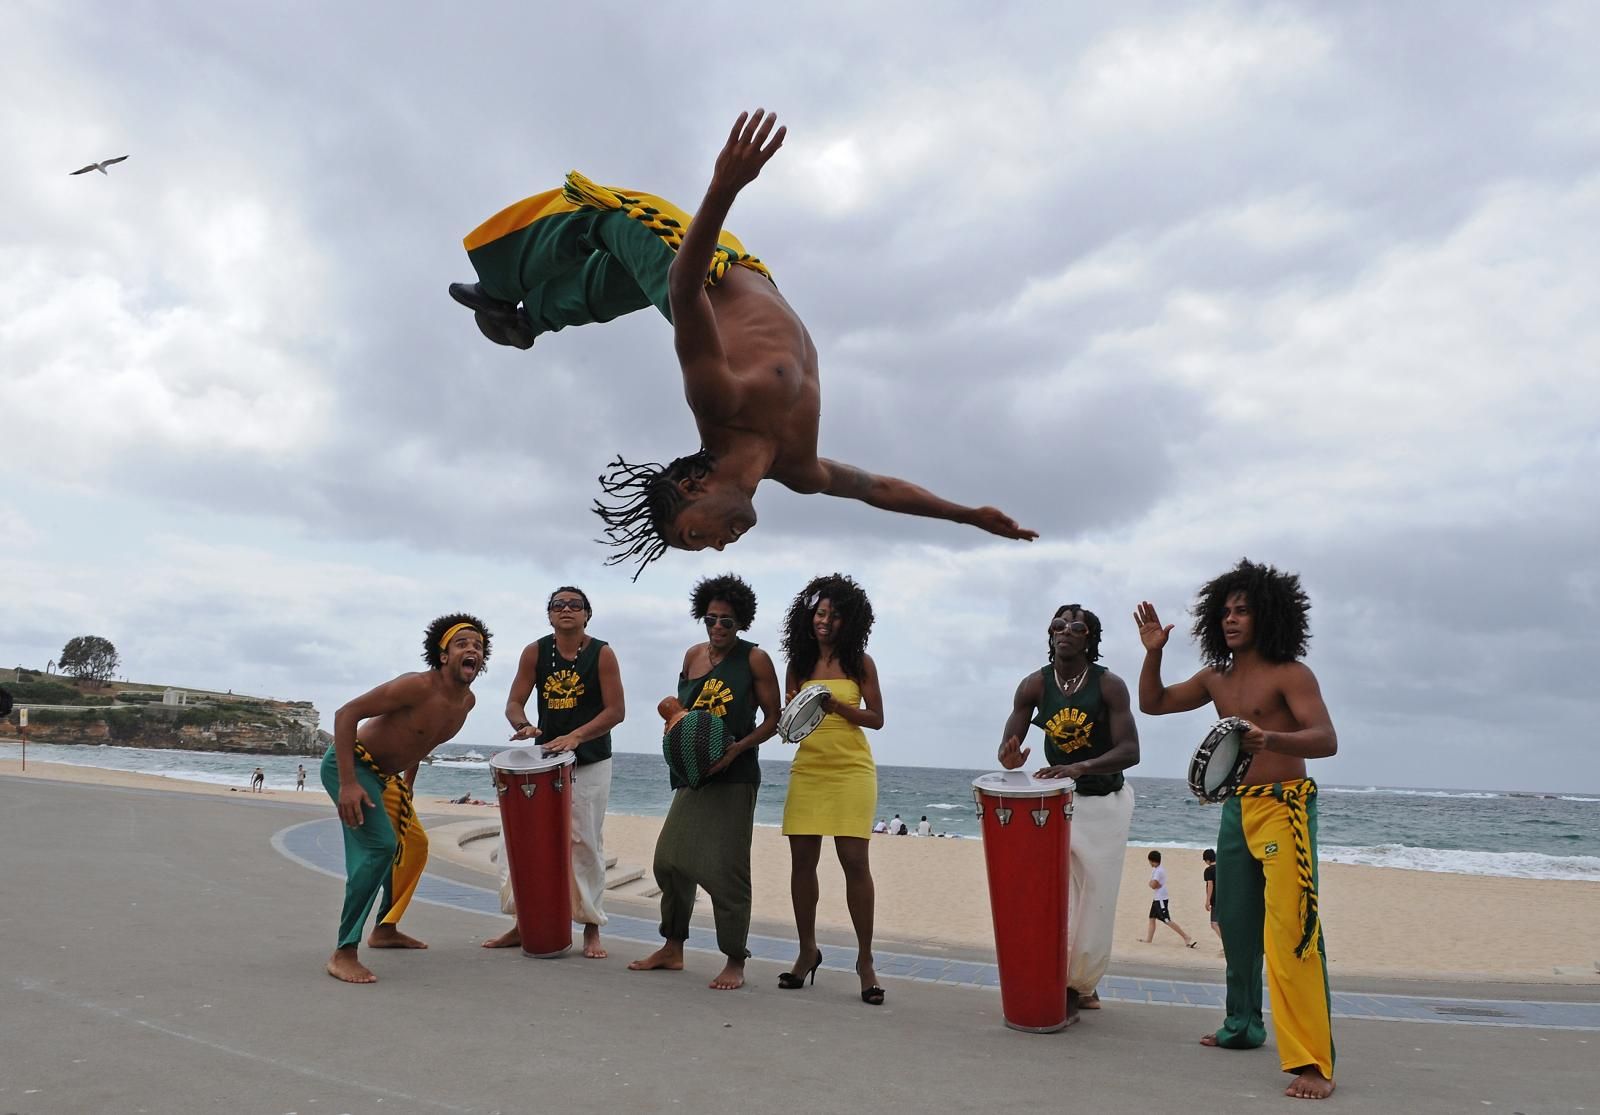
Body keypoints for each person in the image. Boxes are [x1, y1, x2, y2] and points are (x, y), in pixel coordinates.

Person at [449, 110, 1036, 577]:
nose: (716, 548)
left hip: (706, 267)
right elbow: (875, 489)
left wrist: (724, 185)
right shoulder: (799, 469)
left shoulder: (719, 405)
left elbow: (683, 282)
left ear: (692, 485)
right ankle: (529, 322)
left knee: (603, 217)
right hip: (740, 271)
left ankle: (502, 288)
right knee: (621, 279)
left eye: (695, 536)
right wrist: (966, 516)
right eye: (703, 549)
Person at [1136, 558, 1338, 1100]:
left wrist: (1270, 739)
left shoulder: (1291, 674)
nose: (1231, 620)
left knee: (1290, 931)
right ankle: (1243, 1026)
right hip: (1235, 810)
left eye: (1243, 611)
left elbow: (1325, 739)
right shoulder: (1215, 678)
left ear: (1267, 615)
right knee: (1240, 927)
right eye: (1225, 612)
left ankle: (1313, 1062)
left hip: (1285, 807)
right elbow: (1152, 704)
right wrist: (1153, 653)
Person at [321, 614, 490, 984]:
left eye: (477, 645)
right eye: (462, 643)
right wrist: (349, 783)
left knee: (413, 845)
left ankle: (385, 927)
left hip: (387, 778)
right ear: (444, 655)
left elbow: (421, 741)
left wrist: (407, 784)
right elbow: (346, 714)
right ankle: (344, 950)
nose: (471, 649)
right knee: (380, 847)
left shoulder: (466, 702)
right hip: (350, 766)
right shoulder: (415, 685)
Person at [629, 574, 779, 989]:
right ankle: (672, 947)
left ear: (741, 622)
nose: (717, 627)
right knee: (670, 860)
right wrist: (674, 726)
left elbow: (774, 719)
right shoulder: (693, 655)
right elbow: (686, 714)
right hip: (693, 773)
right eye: (710, 618)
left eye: (727, 621)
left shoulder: (755, 660)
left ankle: (735, 959)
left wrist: (736, 748)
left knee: (725, 870)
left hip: (735, 775)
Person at [998, 603, 1141, 1021]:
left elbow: (1130, 751)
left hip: (1104, 804)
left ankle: (1080, 985)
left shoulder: (1109, 685)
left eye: (1076, 627)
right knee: (1053, 893)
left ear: (1089, 638)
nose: (1065, 631)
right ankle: (1057, 977)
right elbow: (1009, 749)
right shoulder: (1034, 685)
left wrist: (1080, 767)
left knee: (1096, 896)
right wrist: (1009, 759)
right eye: (1058, 625)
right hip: (1056, 803)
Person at [484, 586, 625, 959]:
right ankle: (522, 923)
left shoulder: (602, 654)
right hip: (545, 761)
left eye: (574, 605)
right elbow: (514, 702)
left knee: (584, 842)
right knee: (518, 841)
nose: (566, 610)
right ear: (549, 615)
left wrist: (576, 737)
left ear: (586, 615)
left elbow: (616, 711)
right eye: (558, 605)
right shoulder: (535, 651)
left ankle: (591, 927)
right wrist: (524, 724)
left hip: (591, 759)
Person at [776, 574, 887, 1005]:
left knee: (854, 860)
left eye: (835, 615)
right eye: (820, 613)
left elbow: (876, 718)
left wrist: (837, 706)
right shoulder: (798, 663)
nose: (825, 621)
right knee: (802, 862)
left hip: (851, 770)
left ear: (850, 620)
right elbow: (790, 723)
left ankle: (865, 961)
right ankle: (807, 950)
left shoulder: (860, 662)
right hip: (809, 769)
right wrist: (792, 709)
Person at [1142, 850, 1197, 947]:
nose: (1149, 863)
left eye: (1149, 861)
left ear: (1152, 860)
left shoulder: (1159, 871)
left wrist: (1151, 883)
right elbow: (1154, 884)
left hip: (1161, 899)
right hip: (1157, 898)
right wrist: (1152, 883)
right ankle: (1149, 940)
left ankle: (1186, 937)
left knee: (1166, 920)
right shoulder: (1156, 869)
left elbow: (1153, 885)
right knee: (1152, 918)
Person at [1203, 848, 1224, 948]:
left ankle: (1226, 945)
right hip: (1224, 898)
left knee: (1214, 924)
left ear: (1207, 860)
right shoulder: (1221, 867)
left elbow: (1210, 885)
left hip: (1215, 899)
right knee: (1221, 923)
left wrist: (1207, 901)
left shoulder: (1208, 870)